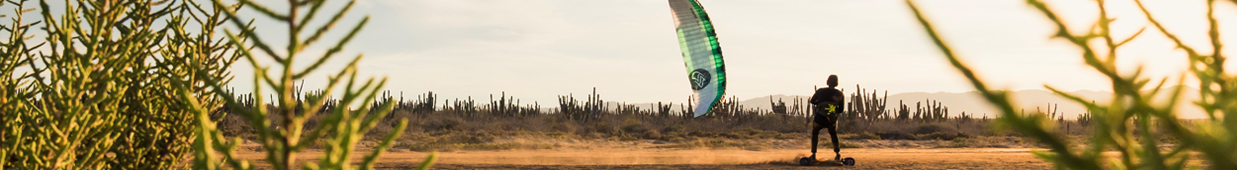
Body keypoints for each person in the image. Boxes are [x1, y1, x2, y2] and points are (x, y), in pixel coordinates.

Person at [808, 74, 844, 161]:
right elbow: (841, 110)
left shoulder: (820, 91)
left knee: (815, 132)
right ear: (837, 83)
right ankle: (837, 153)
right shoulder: (839, 94)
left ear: (827, 82)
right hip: (831, 120)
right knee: (833, 133)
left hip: (819, 118)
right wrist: (832, 110)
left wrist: (821, 104)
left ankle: (813, 154)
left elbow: (812, 101)